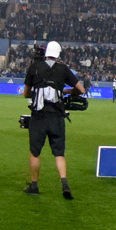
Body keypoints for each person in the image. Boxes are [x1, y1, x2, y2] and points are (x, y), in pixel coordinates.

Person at [23, 41, 82, 198]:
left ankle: (34, 186)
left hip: (39, 116)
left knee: (35, 153)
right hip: (56, 117)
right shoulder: (63, 69)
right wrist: (66, 91)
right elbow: (81, 89)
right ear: (58, 55)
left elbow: (25, 93)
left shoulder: (34, 67)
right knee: (59, 153)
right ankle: (64, 184)